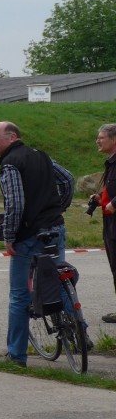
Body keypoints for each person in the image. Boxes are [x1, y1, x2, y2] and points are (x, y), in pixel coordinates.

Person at [0, 120, 73, 365]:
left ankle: (16, 355)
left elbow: (15, 204)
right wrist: (60, 207)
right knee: (59, 279)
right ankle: (79, 333)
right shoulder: (41, 156)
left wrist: (9, 236)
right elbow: (67, 180)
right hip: (56, 228)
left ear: (12, 137)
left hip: (28, 237)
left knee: (18, 295)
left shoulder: (11, 164)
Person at [92, 123, 116, 324]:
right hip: (110, 223)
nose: (97, 141)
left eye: (101, 137)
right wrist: (101, 198)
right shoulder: (111, 163)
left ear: (114, 139)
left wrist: (114, 204)